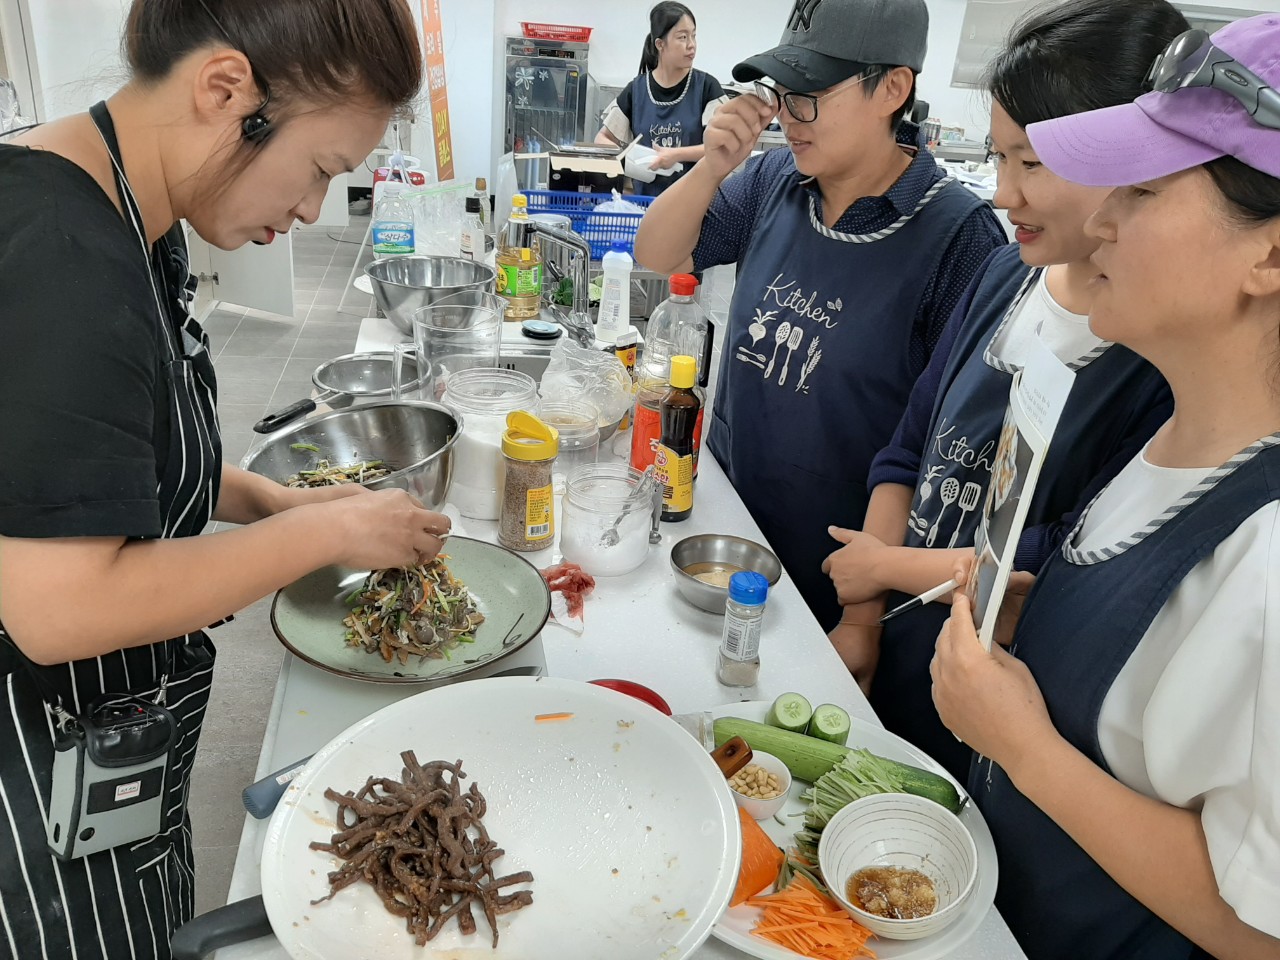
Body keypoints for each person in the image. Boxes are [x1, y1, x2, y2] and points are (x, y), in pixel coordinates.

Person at [0, 1, 448, 956]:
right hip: (36, 796)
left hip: (117, 739)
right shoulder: (61, 262)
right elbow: (57, 607)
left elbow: (115, 456)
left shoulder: (134, 212)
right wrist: (318, 536)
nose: (312, 211)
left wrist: (274, 500)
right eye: (321, 169)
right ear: (225, 89)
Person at [931, 14, 1280, 959]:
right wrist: (1038, 634)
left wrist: (1024, 746)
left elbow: (1261, 925)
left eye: (1144, 188)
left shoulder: (1269, 552)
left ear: (1272, 252)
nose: (1106, 219)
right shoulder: (1176, 440)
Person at [820, 0, 1185, 780]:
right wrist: (864, 622)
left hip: (1004, 710)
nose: (1002, 193)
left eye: (1033, 164)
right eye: (998, 158)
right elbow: (911, 447)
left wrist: (887, 571)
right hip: (903, 655)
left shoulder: (1156, 362)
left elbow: (1059, 563)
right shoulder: (1005, 275)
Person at [633, 0, 1006, 628]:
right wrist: (714, 166)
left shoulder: (959, 239)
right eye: (783, 92)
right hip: (728, 528)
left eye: (811, 94)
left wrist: (863, 616)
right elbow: (655, 253)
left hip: (845, 576)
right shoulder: (774, 179)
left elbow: (944, 449)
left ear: (892, 88)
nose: (789, 114)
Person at [595, 3, 725, 196]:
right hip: (646, 206)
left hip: (696, 205)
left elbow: (722, 147)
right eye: (682, 37)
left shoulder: (707, 87)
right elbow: (602, 138)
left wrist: (676, 155)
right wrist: (634, 159)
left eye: (693, 35)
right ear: (660, 44)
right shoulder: (637, 90)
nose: (691, 44)